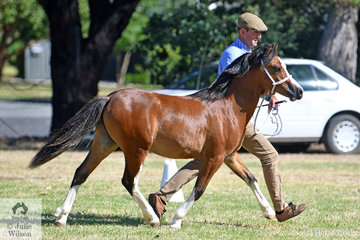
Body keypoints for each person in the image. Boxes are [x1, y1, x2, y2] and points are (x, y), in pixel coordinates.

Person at [149, 12, 306, 223]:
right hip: (231, 119)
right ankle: (280, 209)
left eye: (260, 33)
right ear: (243, 31)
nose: (258, 37)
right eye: (255, 32)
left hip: (235, 117)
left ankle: (161, 196)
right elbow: (239, 87)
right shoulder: (234, 54)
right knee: (269, 155)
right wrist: (268, 95)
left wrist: (270, 94)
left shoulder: (250, 53)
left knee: (205, 159)